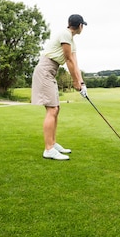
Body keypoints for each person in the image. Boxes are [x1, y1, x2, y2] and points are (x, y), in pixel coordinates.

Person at [32, 14, 88, 160]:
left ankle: (53, 143)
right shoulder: (65, 34)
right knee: (52, 109)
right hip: (45, 70)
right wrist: (75, 82)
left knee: (56, 108)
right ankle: (48, 149)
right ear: (80, 26)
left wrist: (81, 83)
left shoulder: (71, 40)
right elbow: (68, 60)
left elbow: (75, 62)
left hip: (51, 71)